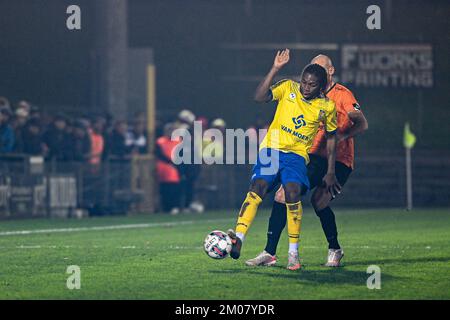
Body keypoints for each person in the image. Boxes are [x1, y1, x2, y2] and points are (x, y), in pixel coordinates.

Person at [246, 54, 368, 268]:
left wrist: (340, 136)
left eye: (319, 69)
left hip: (338, 159)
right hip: (310, 156)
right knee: (282, 195)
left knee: (319, 201)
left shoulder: (342, 95)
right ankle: (269, 252)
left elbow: (362, 123)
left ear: (329, 72)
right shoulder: (303, 94)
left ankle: (334, 248)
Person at [227, 49, 340, 270]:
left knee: (292, 193)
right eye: (304, 82)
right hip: (272, 148)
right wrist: (275, 68)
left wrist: (330, 170)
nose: (305, 87)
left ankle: (293, 254)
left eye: (311, 85)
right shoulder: (287, 87)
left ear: (321, 86)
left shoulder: (326, 106)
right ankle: (238, 238)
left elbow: (332, 138)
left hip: (297, 156)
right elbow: (259, 97)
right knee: (258, 186)